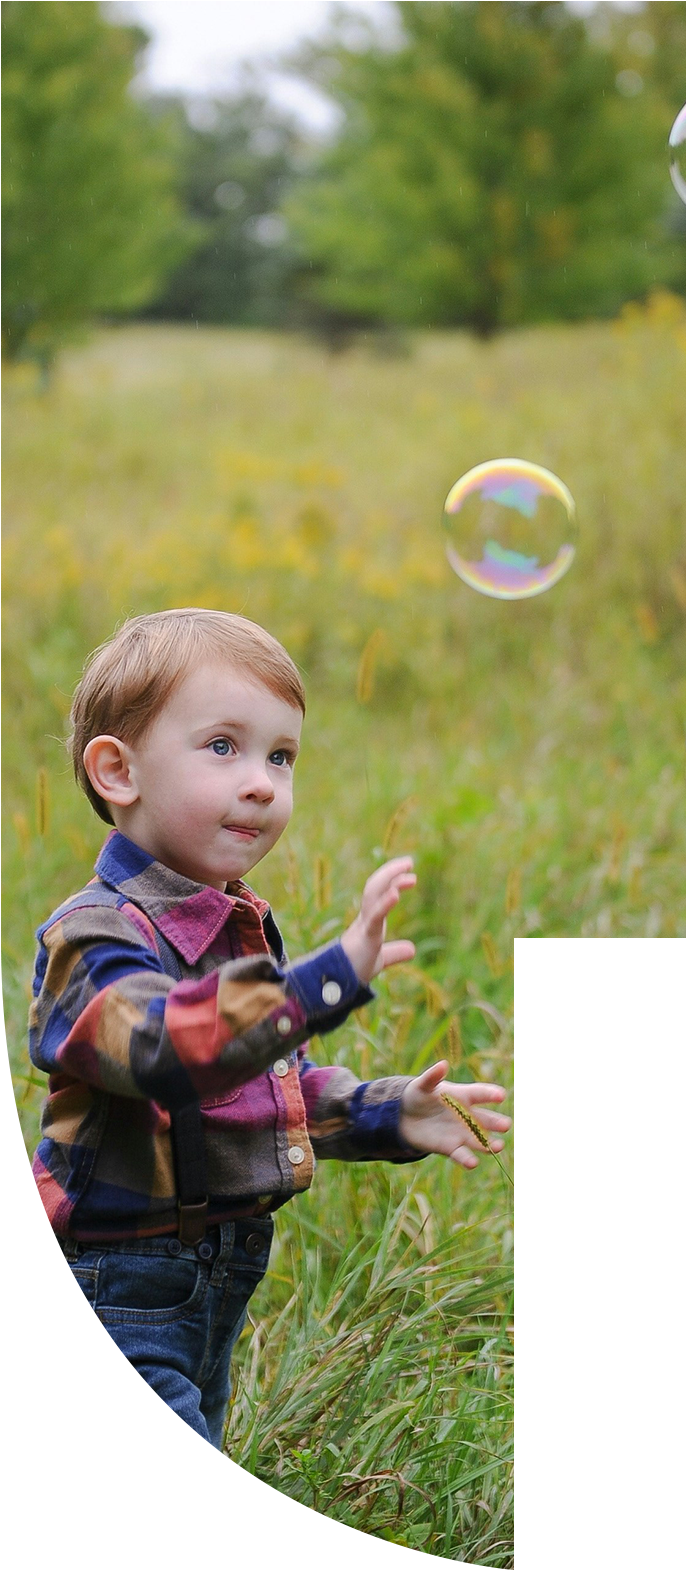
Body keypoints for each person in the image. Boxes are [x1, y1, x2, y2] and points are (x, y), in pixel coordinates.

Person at [28, 607, 510, 1448]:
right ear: (118, 770)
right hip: (108, 1287)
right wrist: (323, 980)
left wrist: (387, 1110)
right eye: (223, 747)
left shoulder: (236, 925)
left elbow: (261, 1089)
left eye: (280, 756)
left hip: (211, 1289)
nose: (261, 781)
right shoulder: (91, 935)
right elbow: (167, 1051)